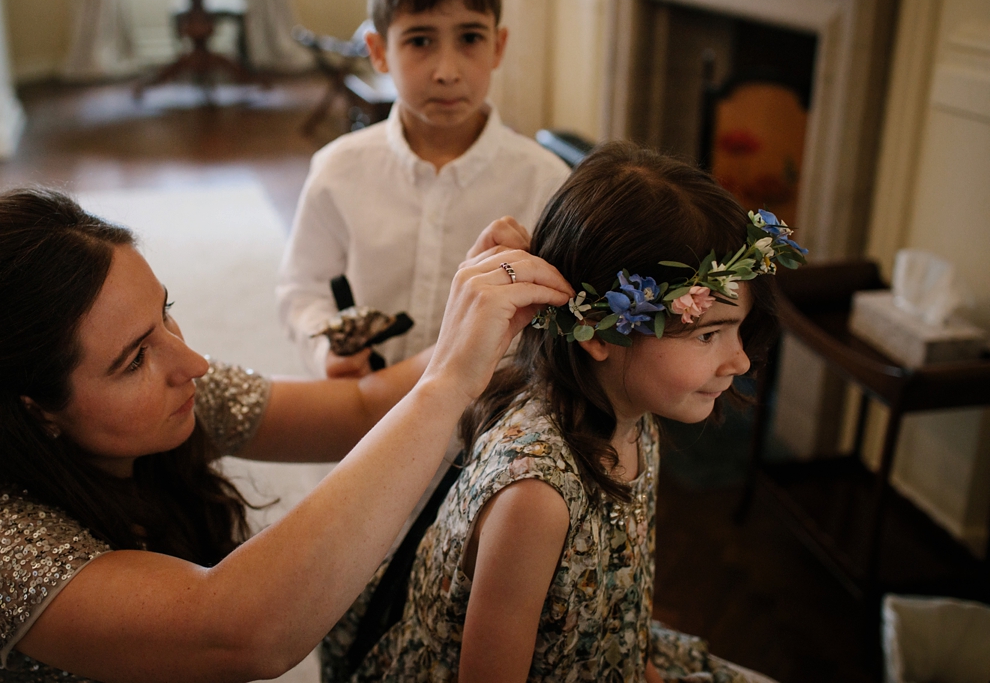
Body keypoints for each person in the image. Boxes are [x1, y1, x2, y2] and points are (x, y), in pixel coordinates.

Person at [0, 187, 572, 682]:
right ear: (33, 408)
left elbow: (356, 409)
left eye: (166, 314)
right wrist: (448, 384)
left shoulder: (173, 394)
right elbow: (245, 629)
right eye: (134, 357)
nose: (190, 362)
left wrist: (471, 317)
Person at [321, 143, 806, 682]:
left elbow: (617, 600)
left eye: (736, 330)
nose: (739, 359)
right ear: (600, 334)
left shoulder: (628, 409)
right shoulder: (535, 498)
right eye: (709, 334)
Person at [276, 0, 571, 379]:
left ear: (499, 45)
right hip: (368, 408)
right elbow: (302, 290)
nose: (447, 71)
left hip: (489, 416)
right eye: (420, 41)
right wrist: (325, 348)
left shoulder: (545, 180)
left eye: (470, 38)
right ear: (379, 52)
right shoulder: (338, 170)